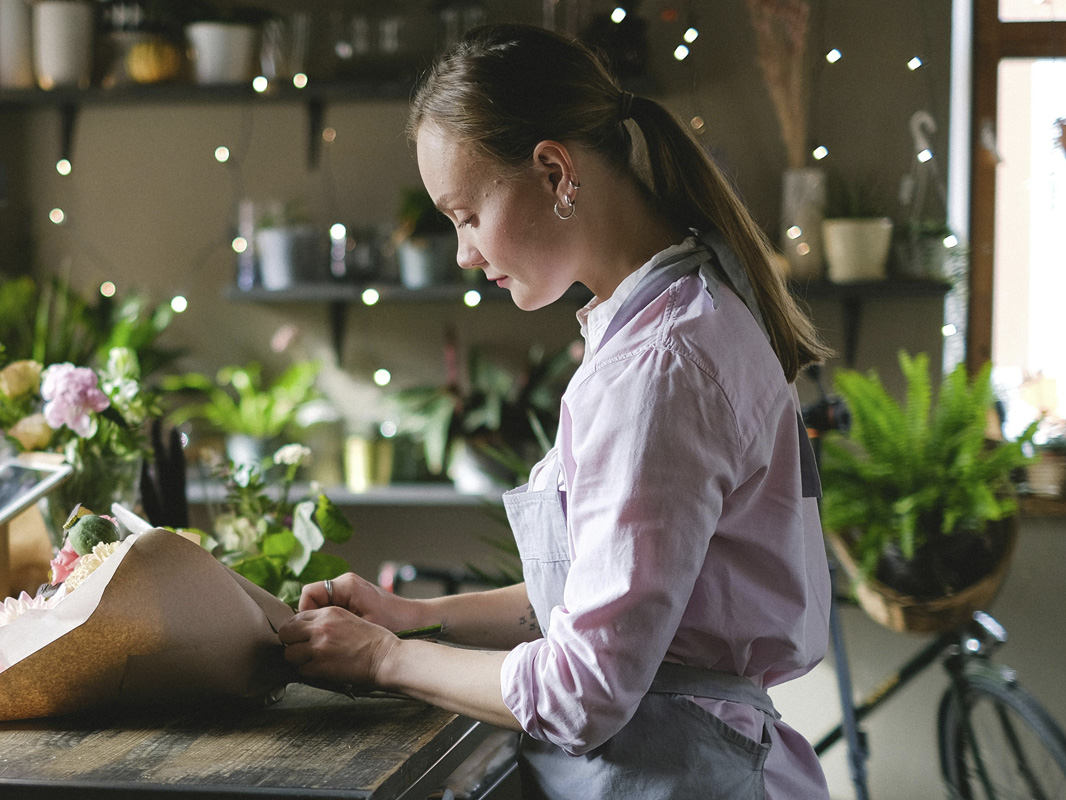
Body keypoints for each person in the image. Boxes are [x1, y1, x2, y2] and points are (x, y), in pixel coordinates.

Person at [278, 22, 833, 799]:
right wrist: (410, 615)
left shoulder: (658, 368)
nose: (465, 253)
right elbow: (601, 599)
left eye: (467, 214)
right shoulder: (666, 320)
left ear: (553, 171)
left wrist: (381, 659)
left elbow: (583, 690)